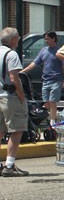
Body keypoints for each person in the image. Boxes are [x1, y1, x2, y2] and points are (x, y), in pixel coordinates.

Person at [0, 27, 29, 177]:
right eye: (17, 37)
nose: (18, 40)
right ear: (12, 40)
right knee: (16, 130)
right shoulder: (11, 55)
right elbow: (14, 78)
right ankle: (9, 165)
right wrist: (21, 95)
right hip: (9, 97)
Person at [20, 31, 64, 123]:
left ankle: (52, 121)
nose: (46, 41)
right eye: (45, 39)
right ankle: (49, 118)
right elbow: (35, 63)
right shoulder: (43, 50)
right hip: (45, 80)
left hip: (56, 80)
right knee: (45, 102)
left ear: (53, 39)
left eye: (48, 39)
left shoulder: (59, 51)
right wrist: (22, 72)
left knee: (52, 101)